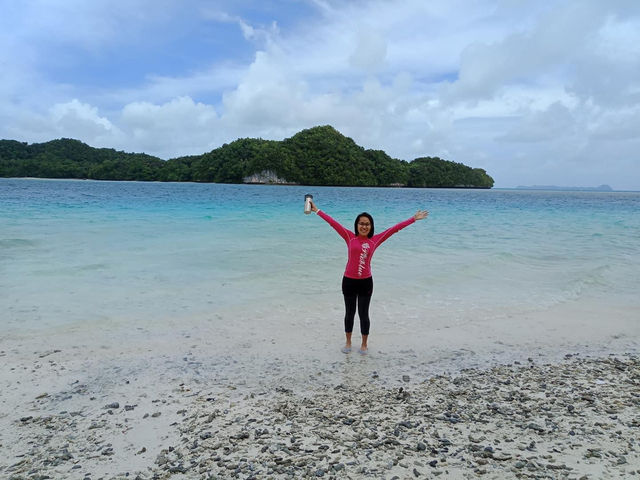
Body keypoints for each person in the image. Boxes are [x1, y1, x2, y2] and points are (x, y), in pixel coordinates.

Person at [309, 200, 428, 355]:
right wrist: (317, 211)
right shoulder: (348, 236)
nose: (364, 226)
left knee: (363, 314)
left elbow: (394, 230)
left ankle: (364, 344)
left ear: (371, 226)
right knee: (349, 313)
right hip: (349, 281)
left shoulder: (375, 240)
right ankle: (348, 342)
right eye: (361, 223)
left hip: (366, 282)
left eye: (367, 224)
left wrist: (413, 219)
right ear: (356, 225)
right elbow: (333, 223)